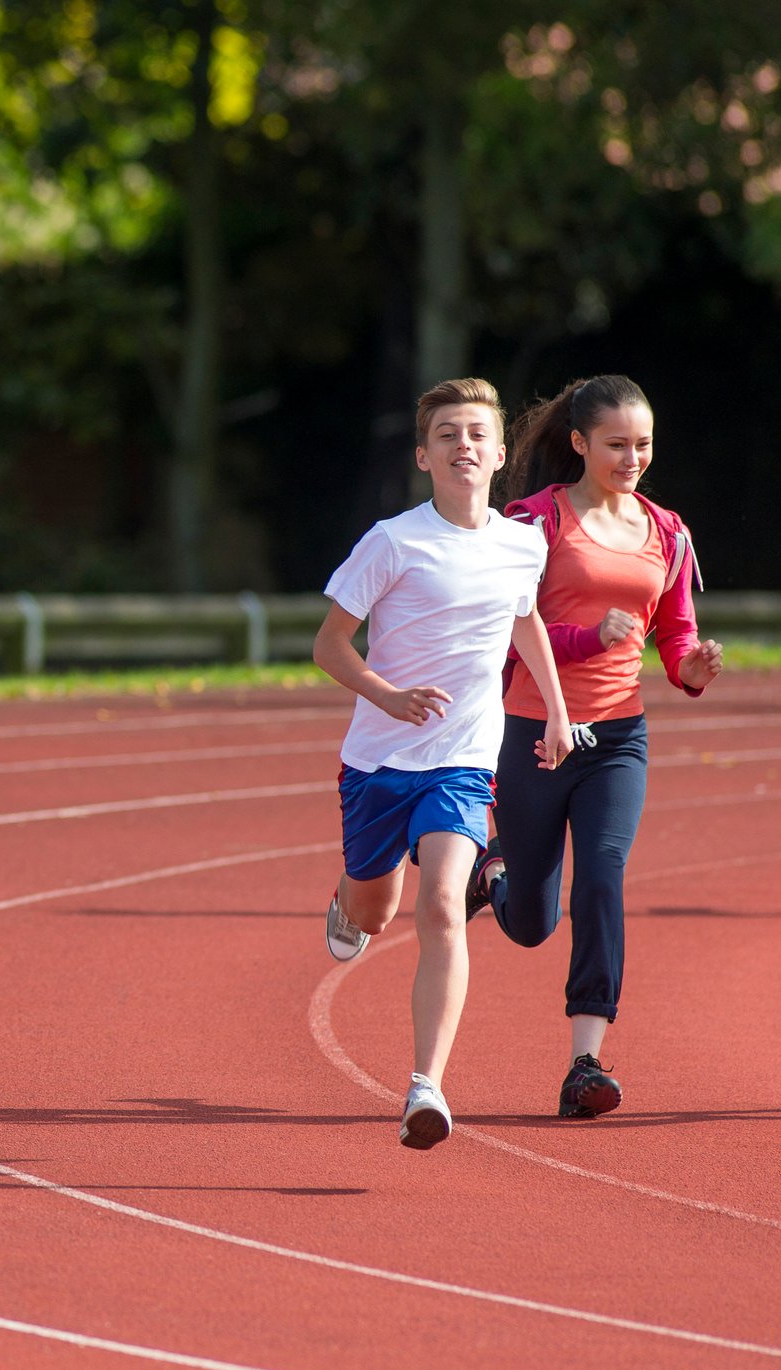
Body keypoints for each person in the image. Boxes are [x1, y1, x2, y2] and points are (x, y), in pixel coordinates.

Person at [313, 377, 573, 1150]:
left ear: (499, 454)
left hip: (460, 759)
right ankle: (346, 898)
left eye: (476, 434)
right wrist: (386, 696)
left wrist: (557, 711)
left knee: (439, 906)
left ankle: (425, 1086)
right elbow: (329, 645)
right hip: (376, 760)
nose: (464, 445)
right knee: (374, 911)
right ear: (423, 456)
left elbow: (524, 620)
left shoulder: (523, 543)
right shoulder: (391, 542)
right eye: (447, 435)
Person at [466, 376, 723, 1119]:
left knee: (602, 877)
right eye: (615, 444)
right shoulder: (531, 524)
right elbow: (504, 632)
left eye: (642, 444)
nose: (631, 457)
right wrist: (587, 635)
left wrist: (689, 669)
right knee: (530, 924)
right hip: (534, 731)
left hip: (617, 737)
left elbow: (672, 632)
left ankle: (585, 1060)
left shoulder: (665, 531)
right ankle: (497, 875)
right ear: (578, 444)